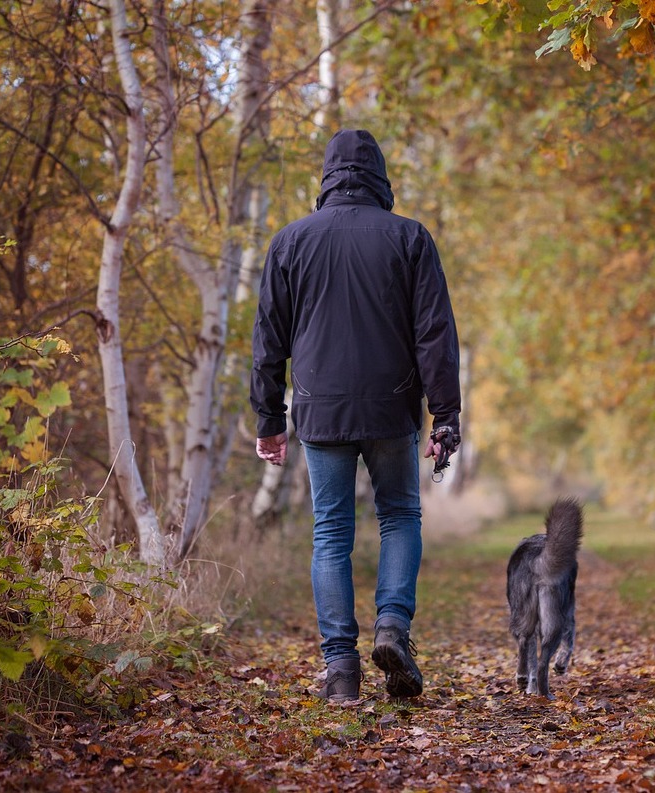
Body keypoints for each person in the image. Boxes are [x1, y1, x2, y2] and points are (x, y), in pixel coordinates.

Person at [250, 129, 461, 703]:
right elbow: (434, 334)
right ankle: (392, 626)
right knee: (398, 517)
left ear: (327, 176)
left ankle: (341, 668)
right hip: (393, 406)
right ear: (380, 176)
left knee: (330, 534)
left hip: (320, 410)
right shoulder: (409, 238)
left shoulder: (290, 242)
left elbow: (268, 338)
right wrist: (445, 414)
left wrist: (270, 417)